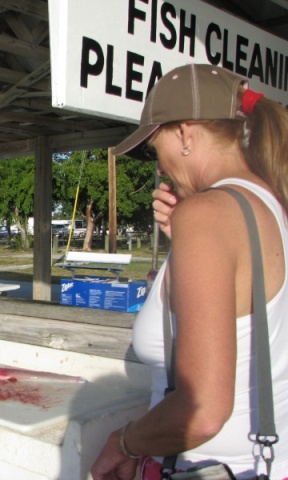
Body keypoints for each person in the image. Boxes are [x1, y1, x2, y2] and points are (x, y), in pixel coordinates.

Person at [91, 63, 288, 479]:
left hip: (215, 467)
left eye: (153, 144)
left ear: (184, 133)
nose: (158, 164)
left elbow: (202, 413)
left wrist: (124, 442)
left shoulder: (207, 215)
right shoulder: (272, 204)